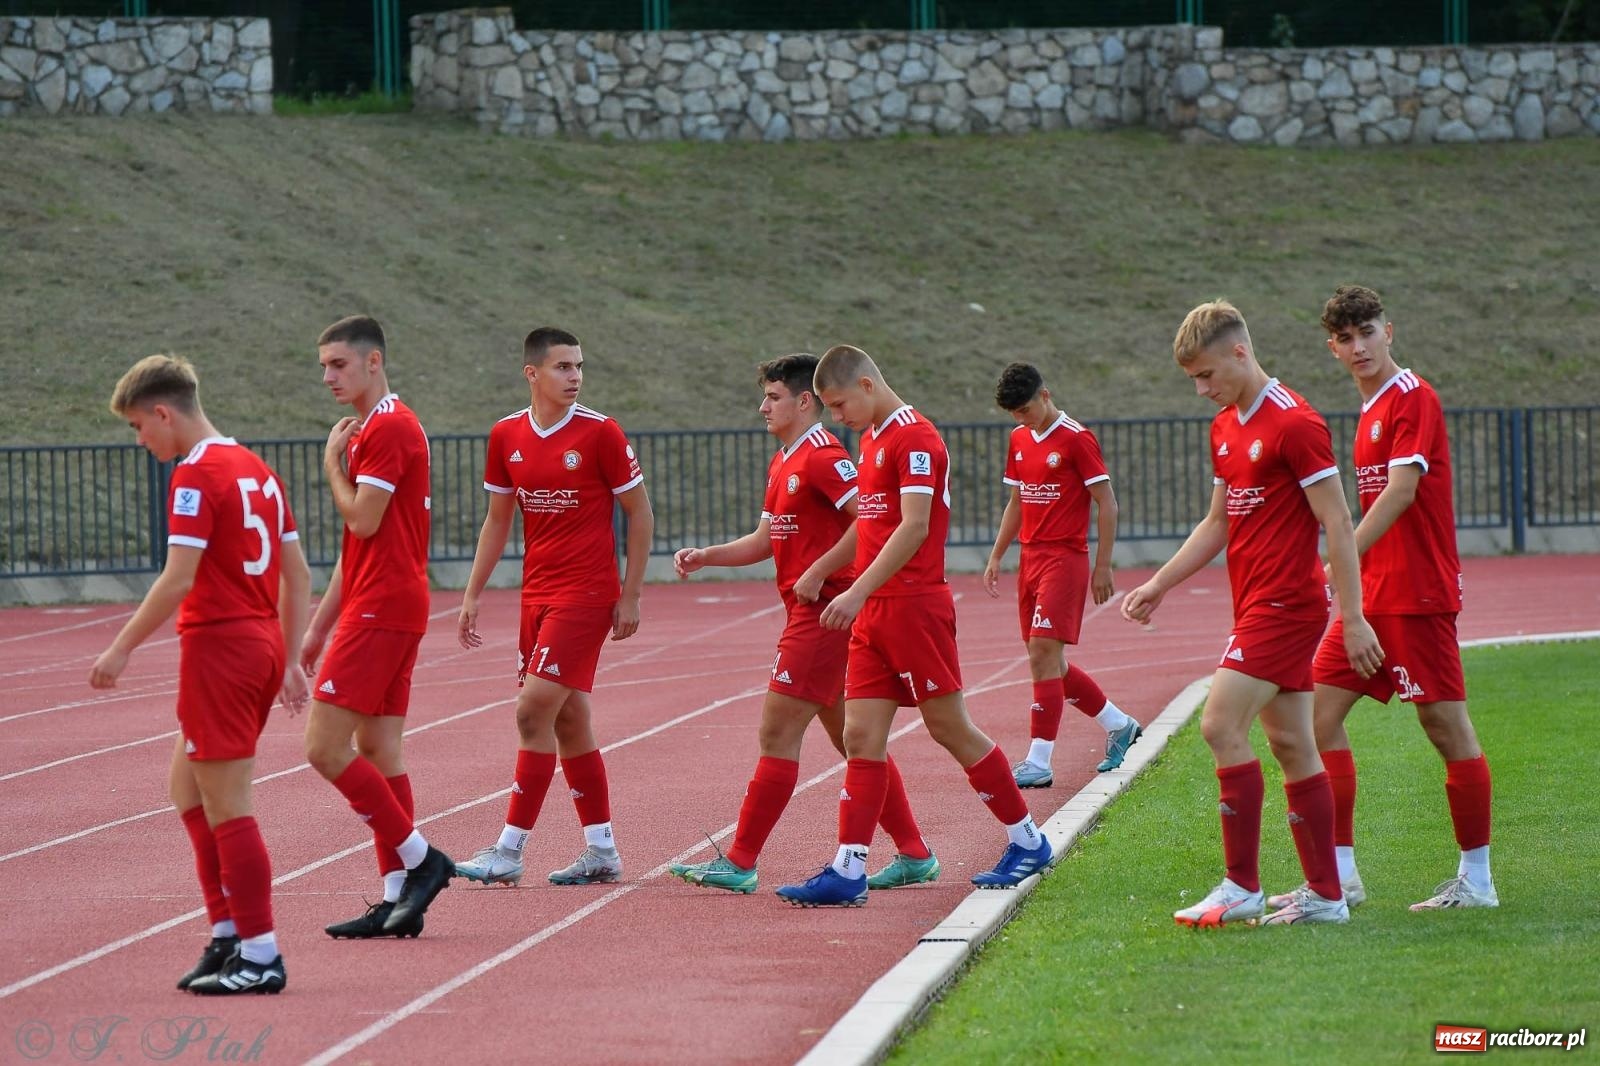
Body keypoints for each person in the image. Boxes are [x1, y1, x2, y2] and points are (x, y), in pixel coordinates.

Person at [1121, 300, 1383, 927]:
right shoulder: (1225, 426)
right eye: (1193, 379)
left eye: (1206, 375)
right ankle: (1327, 896)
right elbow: (1218, 522)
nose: (1201, 389)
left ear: (1240, 352)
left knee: (1218, 725)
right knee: (1292, 743)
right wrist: (1160, 583)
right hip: (1255, 605)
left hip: (1286, 606)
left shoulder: (1294, 422)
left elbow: (1338, 521)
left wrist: (1353, 616)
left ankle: (1241, 886)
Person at [776, 344, 1052, 907]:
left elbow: (915, 527)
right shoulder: (873, 438)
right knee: (859, 736)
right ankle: (849, 868)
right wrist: (826, 568)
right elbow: (871, 524)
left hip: (914, 606)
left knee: (949, 727)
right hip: (874, 612)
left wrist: (856, 589)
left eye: (839, 404)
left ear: (867, 385)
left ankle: (1028, 840)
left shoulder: (916, 437)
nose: (836, 417)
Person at [669, 355, 938, 894]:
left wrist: (819, 570)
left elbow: (870, 520)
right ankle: (914, 853)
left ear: (804, 401)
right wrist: (707, 556)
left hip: (823, 616)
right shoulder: (784, 461)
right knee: (853, 742)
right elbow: (764, 540)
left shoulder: (824, 456)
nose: (762, 407)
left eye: (773, 397)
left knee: (777, 731)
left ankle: (741, 861)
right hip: (808, 613)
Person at [90, 354, 310, 994]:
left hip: (221, 649)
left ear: (163, 413)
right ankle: (227, 934)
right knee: (187, 792)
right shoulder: (257, 470)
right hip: (256, 644)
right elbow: (298, 575)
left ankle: (261, 954)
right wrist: (288, 656)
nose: (140, 440)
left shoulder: (197, 473)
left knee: (228, 805)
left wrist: (121, 648)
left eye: (138, 426)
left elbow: (177, 578)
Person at [1271, 285, 1494, 912]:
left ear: (1387, 332)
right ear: (1333, 348)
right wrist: (1351, 586)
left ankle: (1478, 881)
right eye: (1345, 338)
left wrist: (1335, 561)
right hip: (1371, 598)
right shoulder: (1370, 411)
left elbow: (1400, 491)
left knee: (1444, 727)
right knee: (1314, 718)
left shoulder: (1412, 396)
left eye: (1367, 332)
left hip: (1418, 594)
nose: (1358, 347)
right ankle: (1341, 875)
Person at [453, 327, 654, 888]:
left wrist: (631, 593)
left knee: (531, 711)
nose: (575, 377)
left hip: (586, 593)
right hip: (535, 593)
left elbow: (640, 513)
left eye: (579, 366)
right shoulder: (506, 435)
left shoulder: (601, 432)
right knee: (568, 719)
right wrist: (472, 593)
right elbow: (497, 520)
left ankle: (508, 851)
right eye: (564, 367)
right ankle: (602, 849)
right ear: (532, 373)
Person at [301, 315, 453, 939]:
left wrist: (330, 466)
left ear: (373, 361)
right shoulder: (374, 428)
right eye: (323, 366)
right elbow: (356, 545)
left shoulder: (388, 426)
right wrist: (317, 628)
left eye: (338, 364)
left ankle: (421, 861)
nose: (328, 377)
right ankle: (397, 901)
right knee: (380, 751)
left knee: (322, 748)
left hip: (383, 606)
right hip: (384, 601)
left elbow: (361, 520)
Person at [983, 362, 1141, 787]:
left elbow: (1107, 502)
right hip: (1030, 560)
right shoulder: (1019, 438)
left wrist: (1103, 565)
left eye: (1026, 410)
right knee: (1050, 661)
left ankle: (1039, 762)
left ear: (1045, 395)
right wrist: (997, 554)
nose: (1022, 419)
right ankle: (1119, 724)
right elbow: (1017, 501)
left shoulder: (1076, 438)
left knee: (1041, 654)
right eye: (1014, 414)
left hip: (1064, 559)